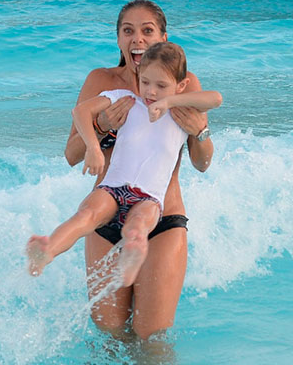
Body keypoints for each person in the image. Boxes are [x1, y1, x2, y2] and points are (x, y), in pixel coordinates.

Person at [57, 0, 214, 340]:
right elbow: (71, 155)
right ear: (118, 39)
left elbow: (202, 163)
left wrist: (199, 130)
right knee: (109, 335)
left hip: (163, 220)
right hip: (106, 219)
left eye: (147, 31)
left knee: (151, 338)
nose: (138, 39)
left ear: (164, 38)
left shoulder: (183, 84)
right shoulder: (102, 81)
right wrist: (99, 126)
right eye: (128, 31)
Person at [26, 42, 222, 288]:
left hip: (149, 198)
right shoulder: (126, 98)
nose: (150, 92)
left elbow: (216, 99)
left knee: (138, 225)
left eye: (161, 86)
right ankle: (47, 249)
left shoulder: (183, 110)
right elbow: (81, 112)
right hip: (111, 188)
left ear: (180, 86)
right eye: (146, 82)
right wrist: (94, 149)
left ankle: (131, 259)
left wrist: (169, 103)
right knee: (86, 215)